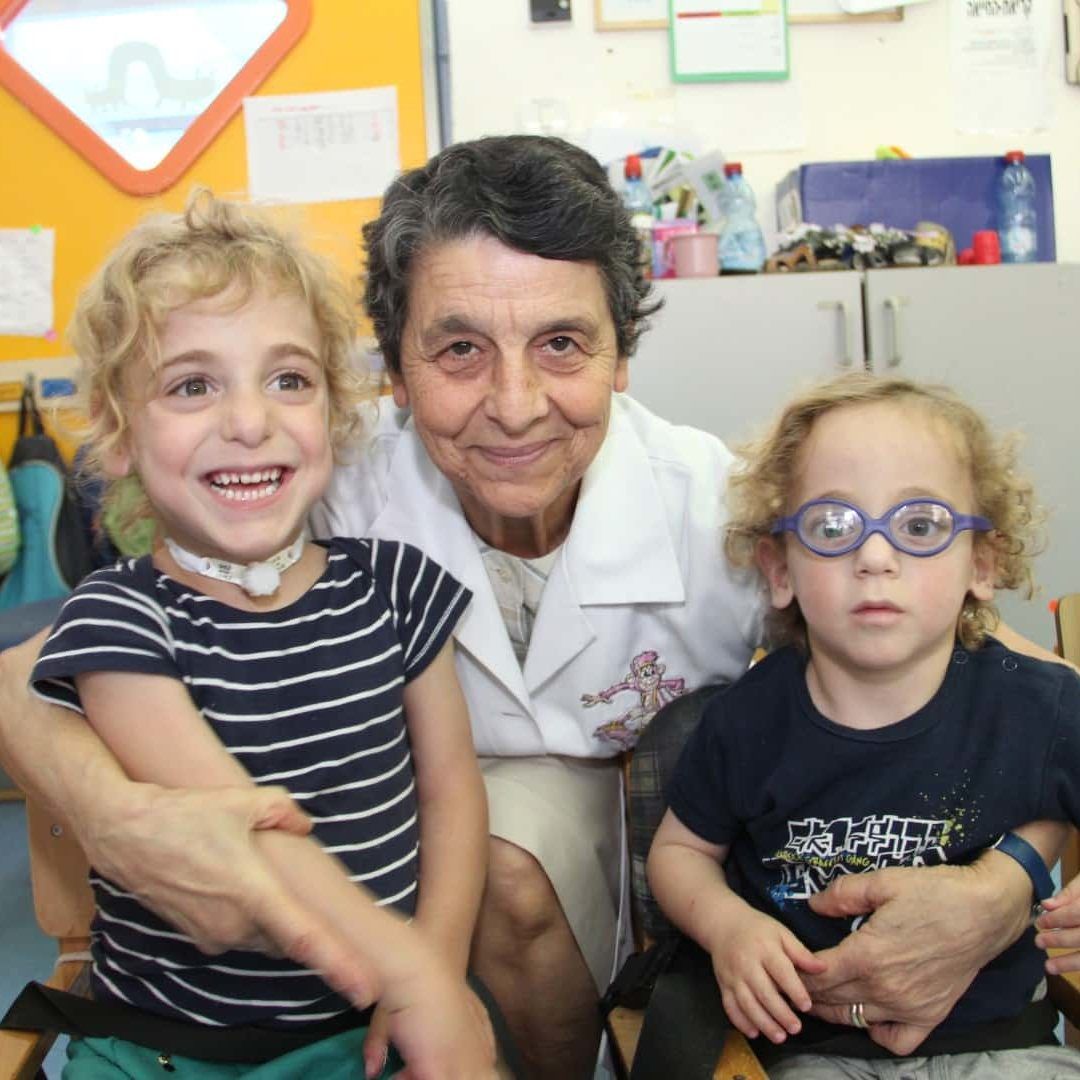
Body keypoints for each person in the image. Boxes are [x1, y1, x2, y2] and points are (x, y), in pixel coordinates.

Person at [0, 136, 1072, 1080]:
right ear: (392, 370)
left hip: (646, 830)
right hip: (367, 871)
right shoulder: (313, 474)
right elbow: (31, 669)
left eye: (562, 344)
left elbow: (1005, 675)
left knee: (510, 850)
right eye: (459, 349)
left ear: (622, 353)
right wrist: (109, 811)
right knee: (503, 851)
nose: (514, 407)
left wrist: (1010, 874)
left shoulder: (713, 503)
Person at [19, 190, 495, 1079]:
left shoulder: (395, 587)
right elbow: (248, 830)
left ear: (335, 413)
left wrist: (432, 972)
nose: (249, 421)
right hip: (166, 1052)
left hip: (368, 1034)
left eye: (289, 380)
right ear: (118, 436)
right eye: (192, 385)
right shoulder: (119, 617)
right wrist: (415, 976)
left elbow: (452, 795)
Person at [648, 372, 1080, 1077]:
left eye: (920, 525)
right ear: (779, 570)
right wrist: (728, 927)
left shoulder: (1042, 706)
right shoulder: (747, 720)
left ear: (982, 563)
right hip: (811, 1053)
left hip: (1006, 1049)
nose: (875, 557)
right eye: (832, 527)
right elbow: (679, 852)